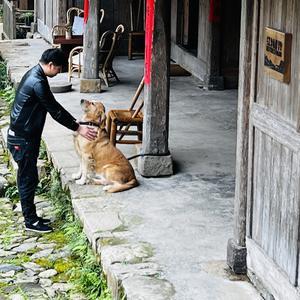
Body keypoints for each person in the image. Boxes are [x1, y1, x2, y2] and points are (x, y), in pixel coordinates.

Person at [7, 48, 97, 233]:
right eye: (59, 69)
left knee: (29, 177)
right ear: (50, 65)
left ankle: (31, 216)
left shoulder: (36, 74)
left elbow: (54, 106)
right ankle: (30, 221)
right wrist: (78, 127)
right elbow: (54, 110)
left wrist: (75, 122)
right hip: (21, 138)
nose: (59, 72)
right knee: (27, 178)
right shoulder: (37, 82)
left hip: (25, 136)